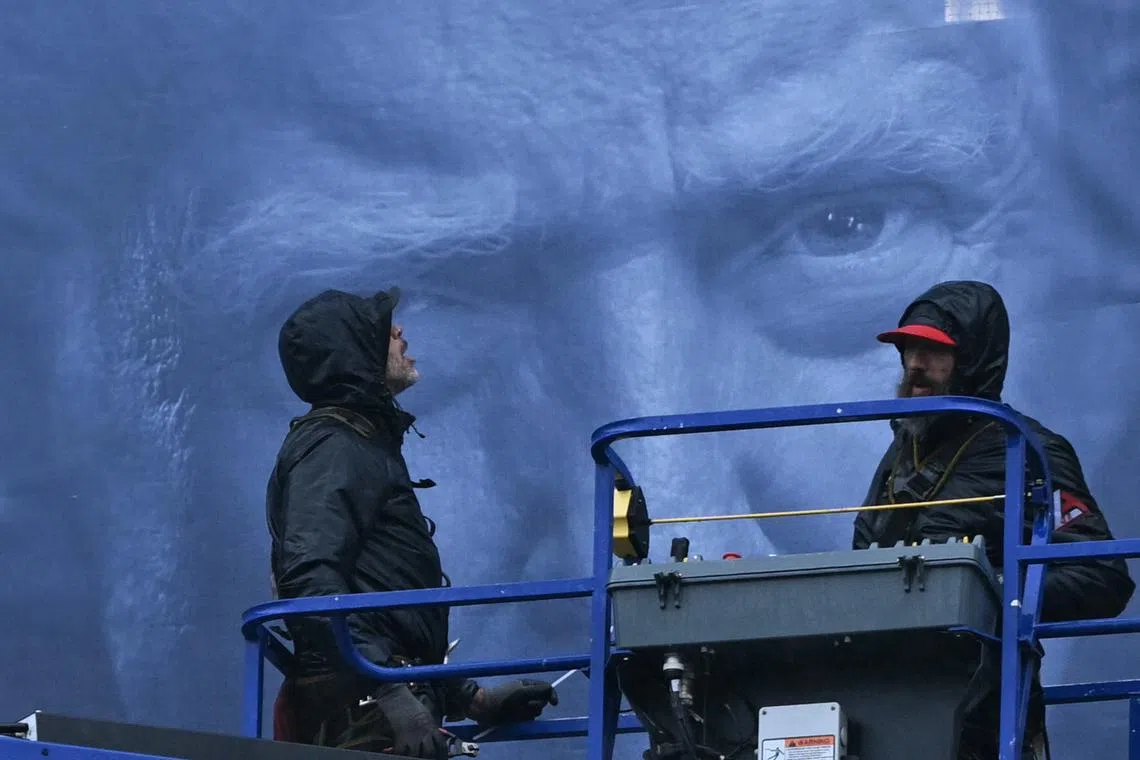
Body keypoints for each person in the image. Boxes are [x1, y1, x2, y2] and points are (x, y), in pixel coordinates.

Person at [265, 287, 559, 758]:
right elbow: (308, 581)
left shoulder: (357, 444)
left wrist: (471, 699)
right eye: (383, 330)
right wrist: (387, 690)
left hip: (379, 701)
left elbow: (385, 608)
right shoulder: (333, 446)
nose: (399, 331)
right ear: (353, 351)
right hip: (362, 713)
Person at [853, 279, 1136, 759]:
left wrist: (987, 590)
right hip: (887, 703)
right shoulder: (899, 454)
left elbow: (1102, 575)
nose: (916, 364)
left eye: (933, 351)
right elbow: (862, 556)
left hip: (982, 713)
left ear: (973, 359)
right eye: (908, 349)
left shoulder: (1028, 450)